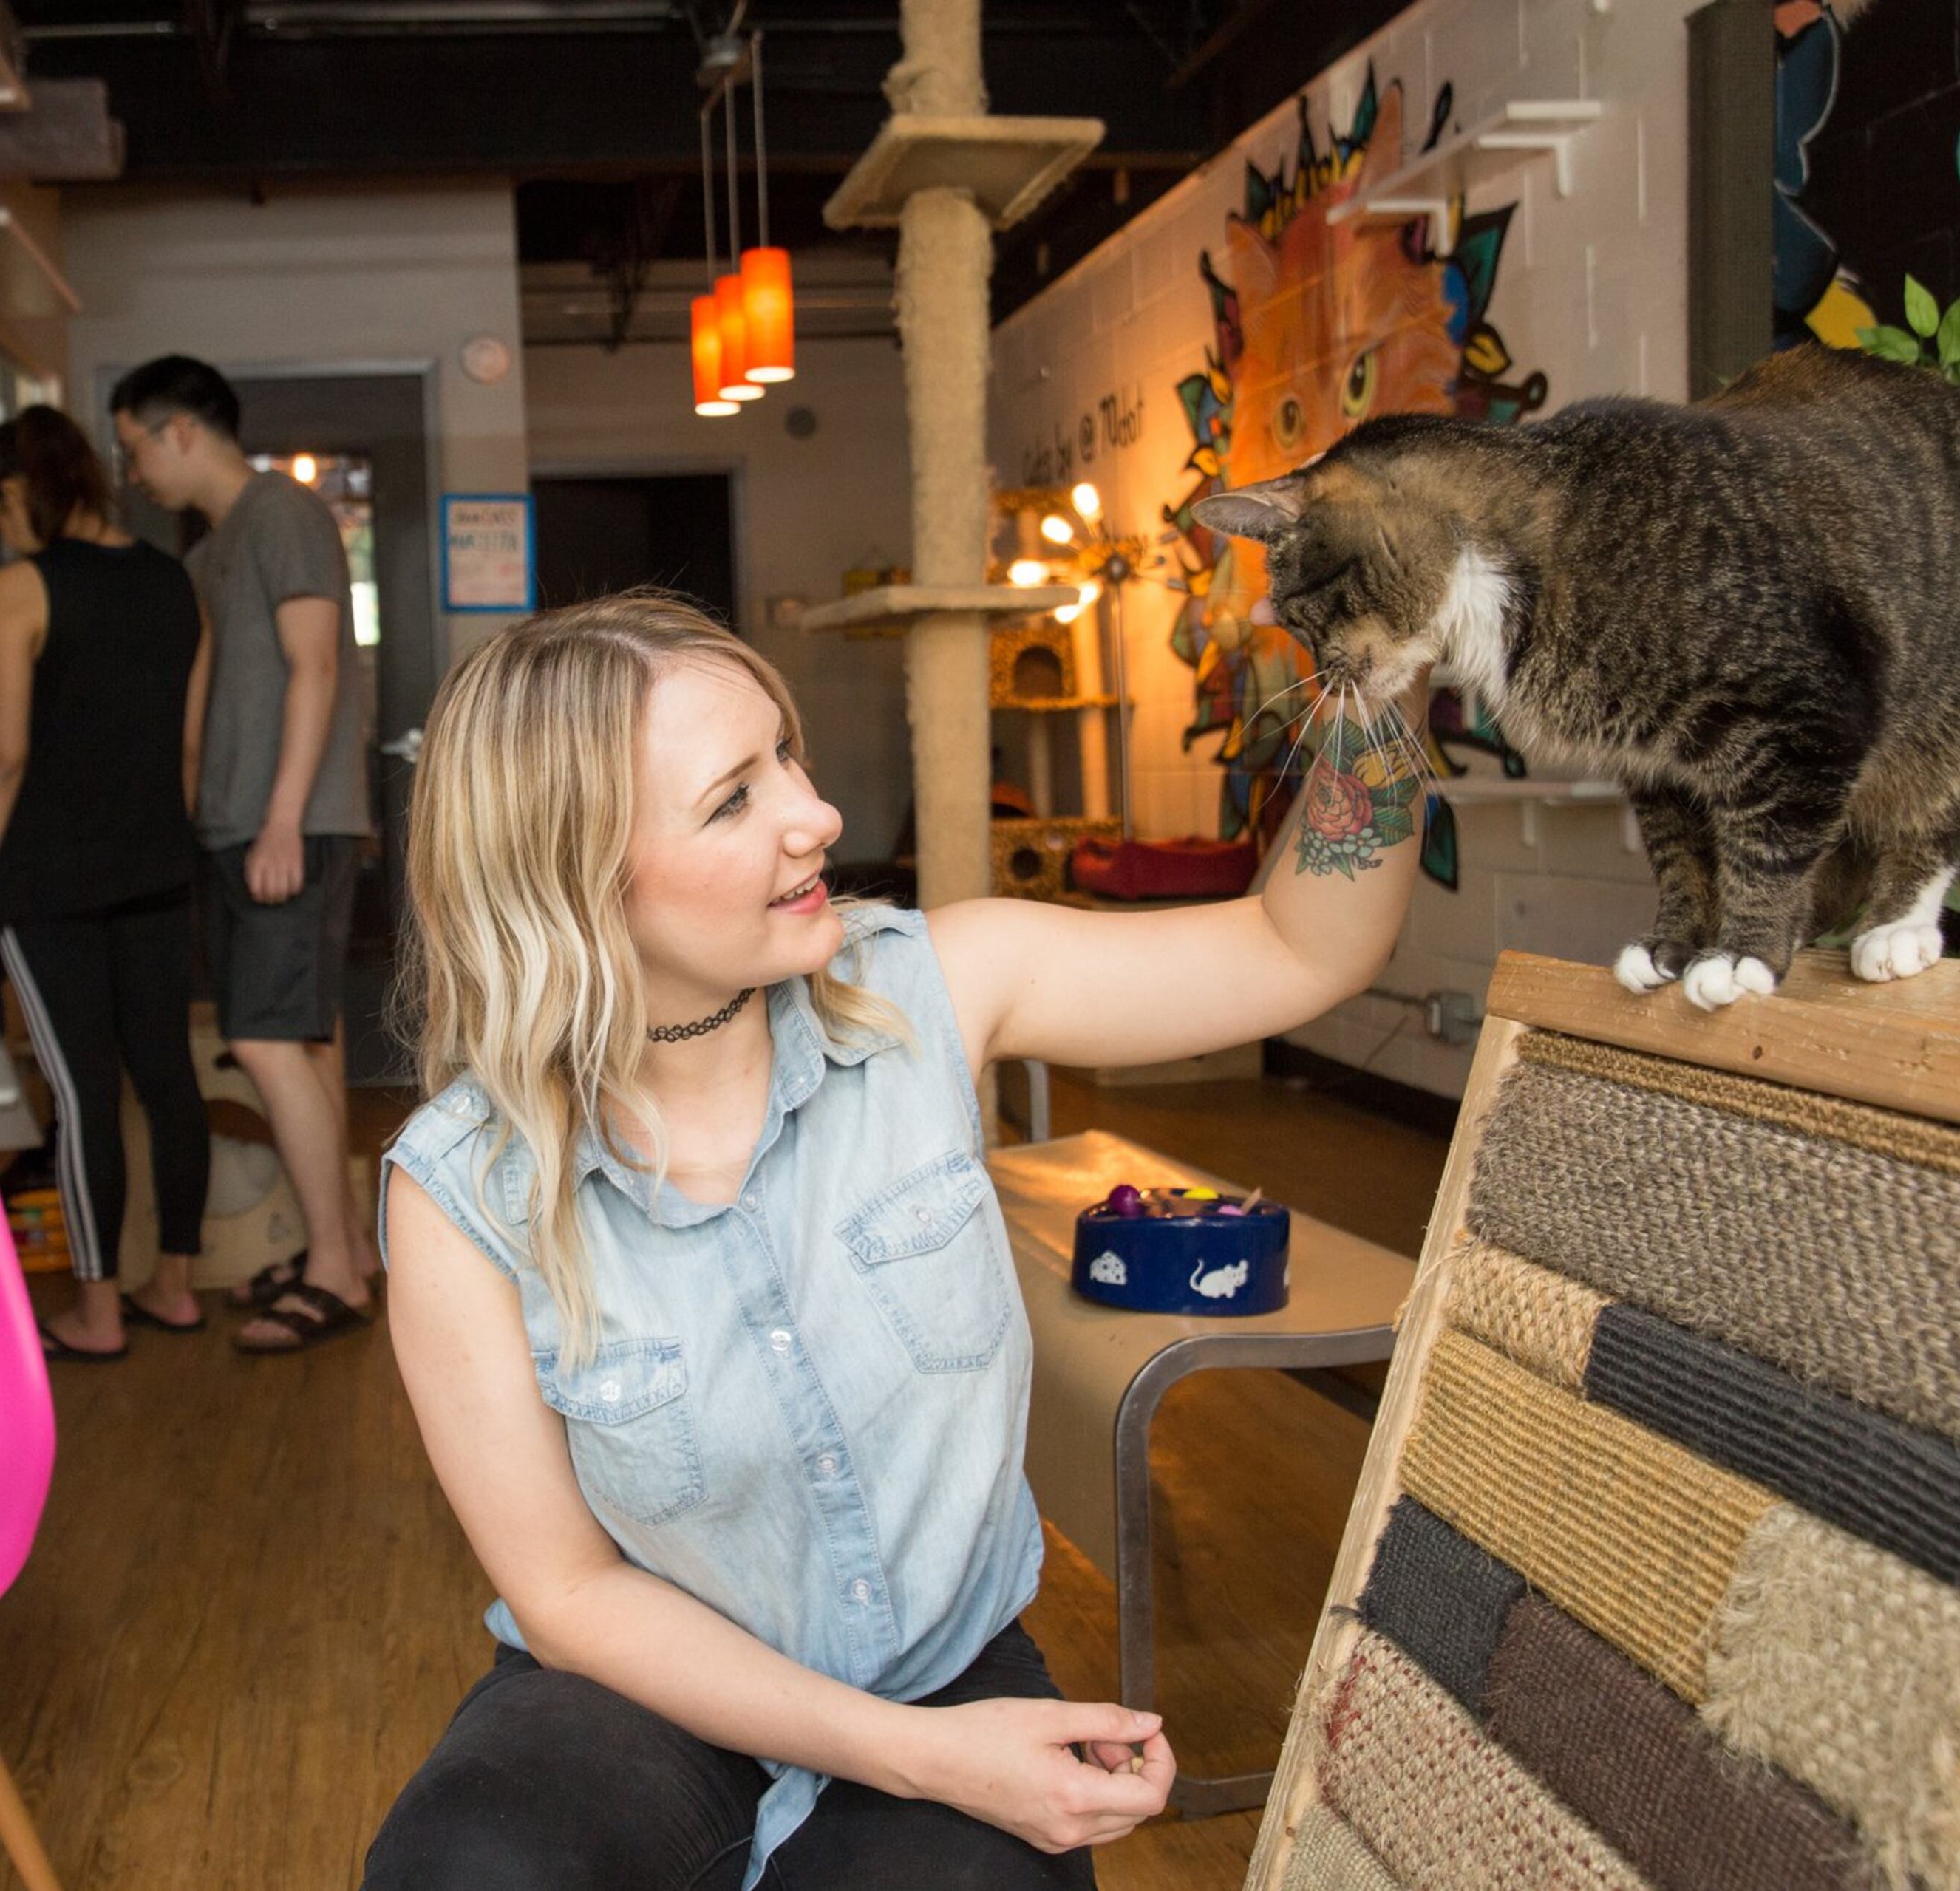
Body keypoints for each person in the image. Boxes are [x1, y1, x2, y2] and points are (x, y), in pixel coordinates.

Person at [362, 594, 1429, 1888]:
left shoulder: (932, 985)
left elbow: (1302, 947)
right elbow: (570, 1594)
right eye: (733, 800)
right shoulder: (462, 1189)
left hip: (944, 1669)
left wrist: (1385, 675)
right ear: (575, 879)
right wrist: (922, 1761)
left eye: (787, 756)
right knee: (469, 1866)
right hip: (642, 1694)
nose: (817, 815)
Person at [109, 355, 381, 1354]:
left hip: (285, 826)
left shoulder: (281, 514)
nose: (133, 471)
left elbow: (317, 666)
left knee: (266, 1041)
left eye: (135, 446)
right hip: (241, 823)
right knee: (303, 1041)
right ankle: (344, 1248)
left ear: (180, 429)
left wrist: (280, 821)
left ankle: (334, 1275)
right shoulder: (216, 548)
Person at [0, 405, 214, 1362]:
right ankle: (174, 1289)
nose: (0, 530)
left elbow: (5, 755)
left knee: (83, 1089)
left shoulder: (21, 588)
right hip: (158, 869)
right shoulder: (175, 584)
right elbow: (183, 747)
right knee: (166, 1077)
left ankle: (97, 1316)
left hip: (50, 883)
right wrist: (157, 843)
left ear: (18, 489)